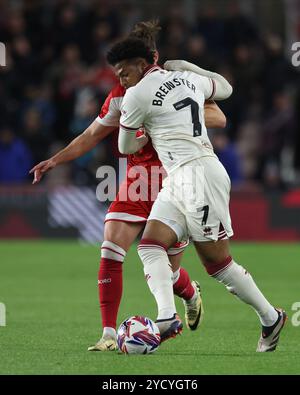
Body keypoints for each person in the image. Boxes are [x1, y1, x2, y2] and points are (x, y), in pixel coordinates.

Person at [30, 21, 227, 352]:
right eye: (118, 73)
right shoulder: (121, 97)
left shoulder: (176, 85)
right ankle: (108, 333)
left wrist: (165, 116)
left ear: (146, 61)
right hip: (138, 179)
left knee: (166, 269)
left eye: (125, 71)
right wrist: (56, 160)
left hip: (176, 177)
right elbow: (92, 135)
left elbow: (218, 118)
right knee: (110, 245)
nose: (120, 78)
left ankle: (189, 293)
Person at [106, 37, 287, 351]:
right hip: (181, 177)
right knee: (149, 246)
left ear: (140, 64)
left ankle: (270, 317)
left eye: (123, 72)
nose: (120, 79)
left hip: (199, 175)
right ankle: (166, 317)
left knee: (217, 264)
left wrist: (145, 131)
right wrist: (187, 66)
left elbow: (124, 148)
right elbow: (225, 88)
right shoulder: (187, 79)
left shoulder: (136, 95)